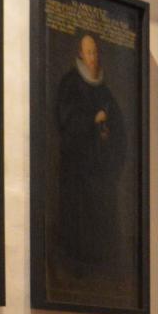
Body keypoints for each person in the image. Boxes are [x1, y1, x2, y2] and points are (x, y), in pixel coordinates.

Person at [52, 34, 125, 281]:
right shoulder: (70, 83)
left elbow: (119, 126)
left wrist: (108, 133)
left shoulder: (104, 89)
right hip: (78, 170)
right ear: (80, 54)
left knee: (100, 217)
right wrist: (92, 121)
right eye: (89, 52)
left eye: (95, 52)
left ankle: (98, 263)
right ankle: (75, 264)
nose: (93, 57)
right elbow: (66, 120)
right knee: (78, 220)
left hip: (100, 170)